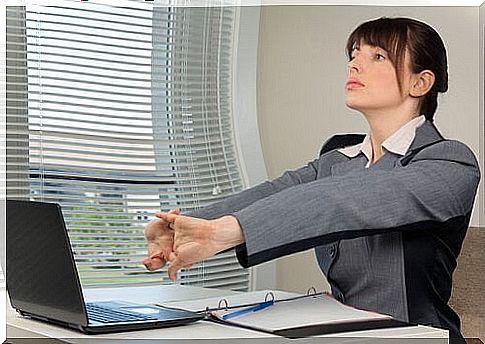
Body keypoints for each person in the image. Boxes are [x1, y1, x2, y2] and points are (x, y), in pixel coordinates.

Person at [143, 17, 480, 342]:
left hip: (416, 338)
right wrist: (184, 225)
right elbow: (274, 193)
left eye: (377, 56)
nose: (355, 65)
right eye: (354, 55)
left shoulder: (449, 164)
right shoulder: (337, 160)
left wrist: (225, 232)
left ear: (419, 83)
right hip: (341, 333)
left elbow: (343, 201)